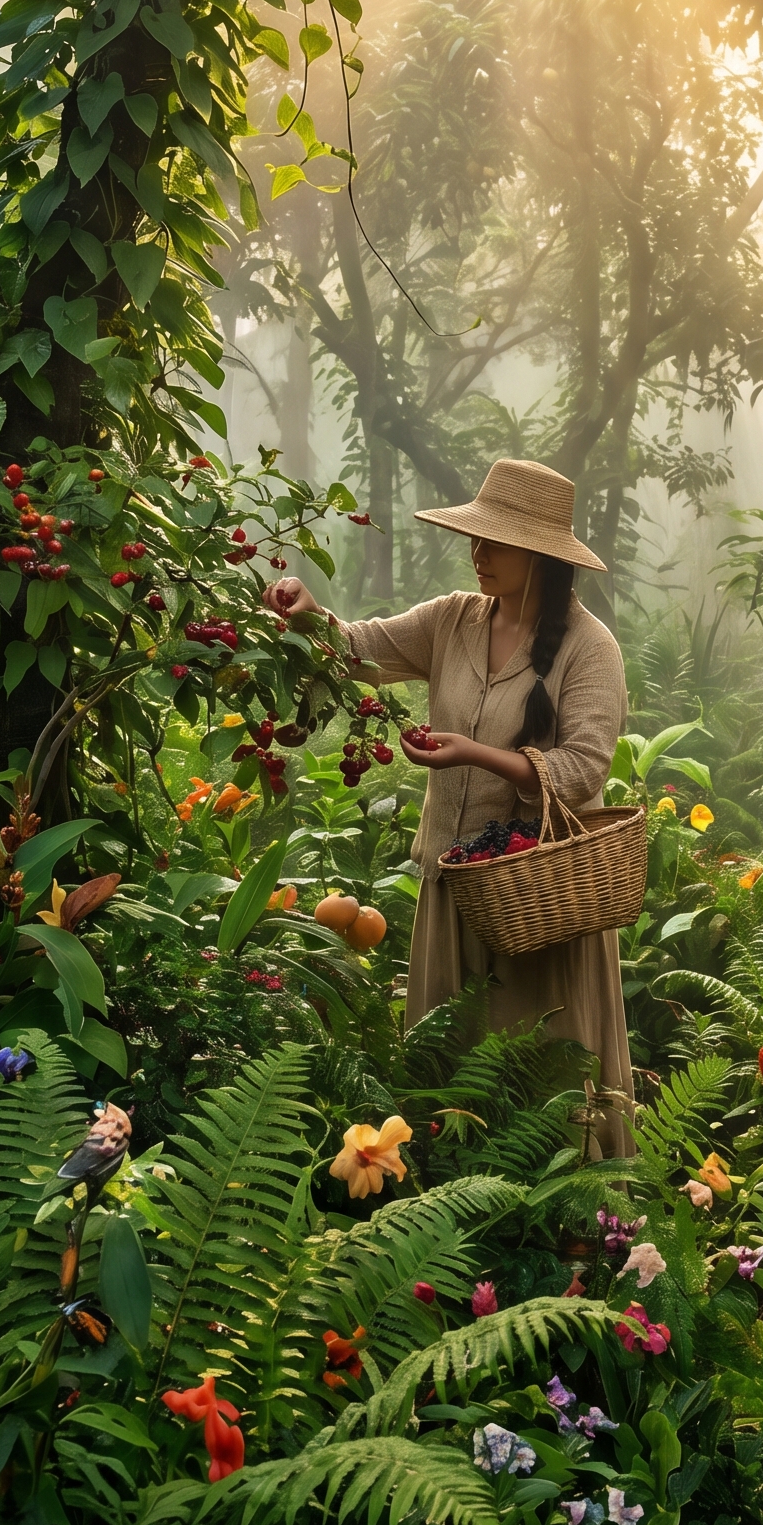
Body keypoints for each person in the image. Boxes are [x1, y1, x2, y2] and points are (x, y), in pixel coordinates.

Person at [270, 458, 635, 1156]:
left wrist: (477, 754)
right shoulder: (453, 620)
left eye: (495, 542)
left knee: (540, 1090)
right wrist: (309, 612)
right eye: (476, 537)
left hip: (537, 900)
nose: (478, 552)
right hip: (453, 888)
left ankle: (569, 1213)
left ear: (540, 555)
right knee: (449, 1076)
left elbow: (584, 769)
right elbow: (357, 650)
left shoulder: (590, 649)